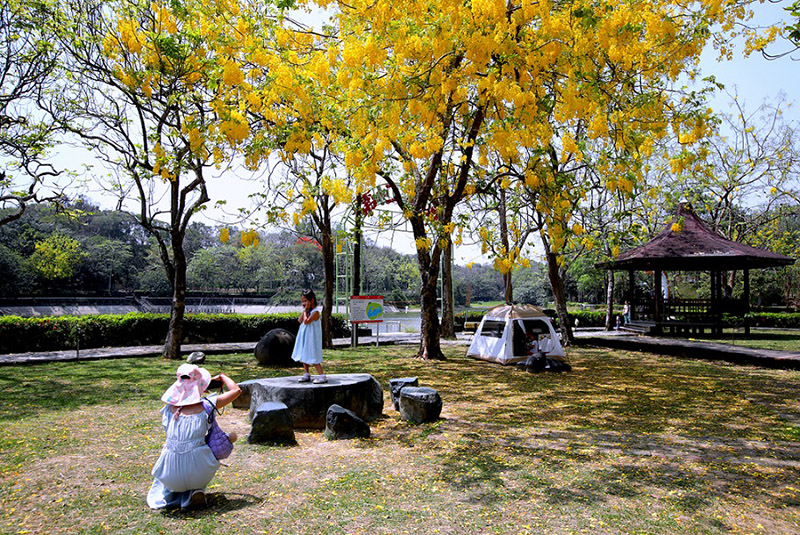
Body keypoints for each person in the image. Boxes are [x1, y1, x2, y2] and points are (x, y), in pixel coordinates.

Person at [147, 364, 241, 510]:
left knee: (169, 459)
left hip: (170, 475)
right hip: (199, 471)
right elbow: (236, 390)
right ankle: (196, 491)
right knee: (201, 452)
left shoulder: (169, 408)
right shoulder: (208, 404)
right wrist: (222, 377)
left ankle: (173, 492)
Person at [291, 288, 326, 384]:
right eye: (302, 302)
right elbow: (300, 320)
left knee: (313, 355)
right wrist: (304, 311)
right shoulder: (306, 311)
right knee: (304, 354)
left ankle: (322, 375)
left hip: (312, 338)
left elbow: (306, 321)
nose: (303, 304)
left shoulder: (315, 312)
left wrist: (306, 312)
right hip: (305, 337)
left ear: (312, 301)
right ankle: (306, 373)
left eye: (305, 301)